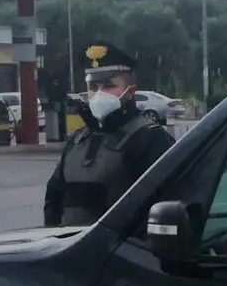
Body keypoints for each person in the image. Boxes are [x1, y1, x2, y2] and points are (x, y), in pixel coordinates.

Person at [43, 41, 173, 226]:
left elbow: (164, 204)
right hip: (73, 249)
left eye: (109, 85)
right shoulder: (77, 141)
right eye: (93, 87)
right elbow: (54, 201)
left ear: (131, 91)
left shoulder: (150, 139)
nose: (99, 94)